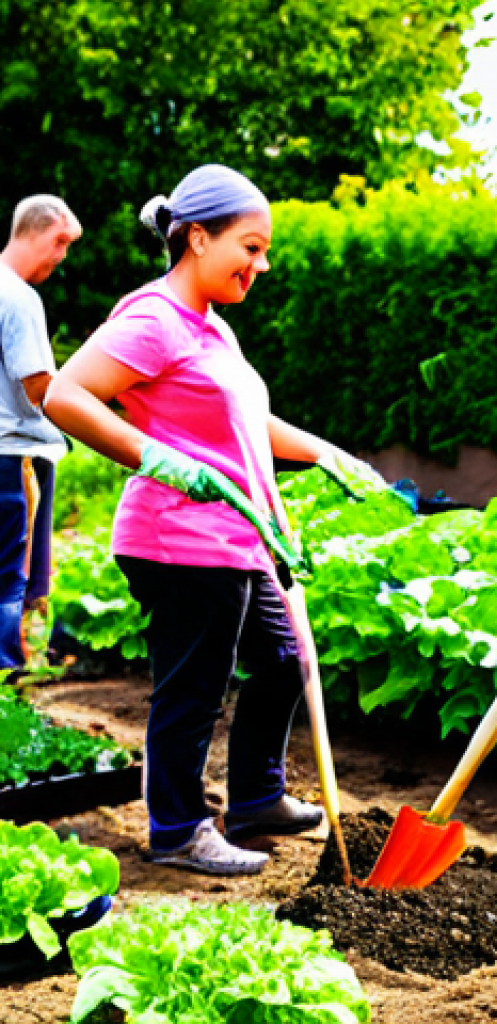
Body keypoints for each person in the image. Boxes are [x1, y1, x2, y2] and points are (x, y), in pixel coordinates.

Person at [44, 165, 376, 876]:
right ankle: (176, 828)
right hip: (178, 535)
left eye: (263, 251)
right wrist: (158, 459)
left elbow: (249, 421)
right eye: (249, 247)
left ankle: (256, 797)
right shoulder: (153, 318)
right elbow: (67, 394)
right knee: (194, 687)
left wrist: (326, 453)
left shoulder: (211, 328)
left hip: (239, 536)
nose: (260, 264)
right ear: (198, 237)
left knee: (288, 659)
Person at [0, 195, 82, 669]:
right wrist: (92, 400)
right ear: (49, 234)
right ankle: (8, 684)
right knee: (13, 576)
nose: (62, 258)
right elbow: (38, 387)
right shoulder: (19, 297)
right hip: (16, 457)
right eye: (63, 246)